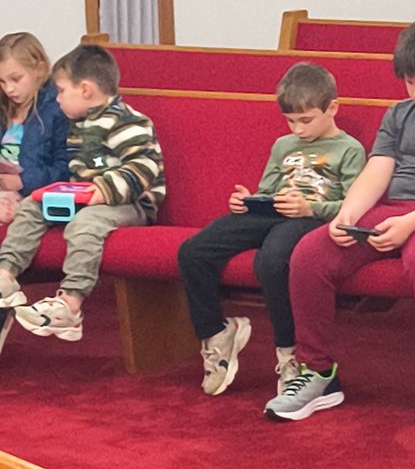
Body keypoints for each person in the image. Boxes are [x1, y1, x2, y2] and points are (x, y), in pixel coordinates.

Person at [266, 14, 415, 433]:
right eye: (409, 83)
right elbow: (378, 170)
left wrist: (409, 223)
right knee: (310, 253)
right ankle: (318, 372)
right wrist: (348, 215)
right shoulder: (399, 114)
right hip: (397, 208)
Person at [177, 62, 366, 398]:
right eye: (290, 121)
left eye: (306, 120)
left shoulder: (349, 149)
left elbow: (355, 205)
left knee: (272, 260)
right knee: (193, 251)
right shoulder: (283, 146)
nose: (298, 129)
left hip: (310, 218)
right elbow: (268, 190)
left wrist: (311, 208)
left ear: (332, 108)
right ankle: (217, 332)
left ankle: (289, 353)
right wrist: (248, 201)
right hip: (273, 212)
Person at [0, 44, 164, 344]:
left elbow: (144, 168)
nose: (57, 98)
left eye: (61, 91)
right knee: (33, 206)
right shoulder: (80, 122)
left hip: (129, 203)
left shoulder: (127, 121)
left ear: (85, 90)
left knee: (86, 224)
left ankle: (71, 302)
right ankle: (6, 274)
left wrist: (102, 190)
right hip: (83, 198)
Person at [0, 32, 71, 229]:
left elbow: (66, 169)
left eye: (16, 79)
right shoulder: (4, 106)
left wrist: (23, 181)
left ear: (39, 69)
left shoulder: (59, 108)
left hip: (34, 195)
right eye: (2, 81)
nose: (9, 89)